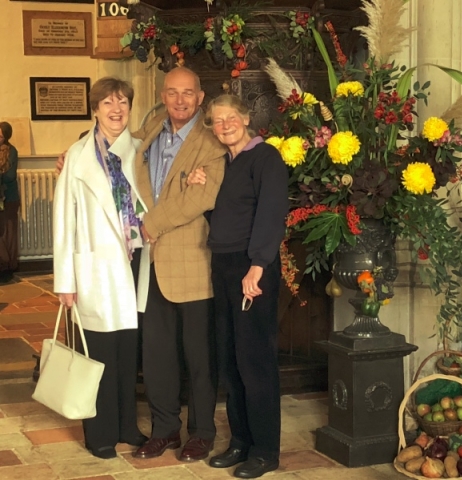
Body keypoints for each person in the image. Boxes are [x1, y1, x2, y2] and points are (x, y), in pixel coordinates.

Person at [189, 94, 288, 478]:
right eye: (217, 120)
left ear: (246, 119)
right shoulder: (225, 163)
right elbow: (225, 215)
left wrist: (258, 266)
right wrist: (198, 184)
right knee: (230, 361)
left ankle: (265, 451)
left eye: (231, 117)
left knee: (255, 363)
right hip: (225, 265)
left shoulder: (266, 158)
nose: (225, 124)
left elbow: (271, 212)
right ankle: (240, 442)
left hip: (252, 269)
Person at [131, 67, 226, 463]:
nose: (181, 100)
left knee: (199, 358)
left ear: (200, 97)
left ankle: (202, 432)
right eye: (173, 93)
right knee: (156, 357)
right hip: (150, 266)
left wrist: (149, 224)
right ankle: (165, 429)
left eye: (188, 93)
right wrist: (76, 150)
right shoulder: (152, 129)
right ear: (163, 95)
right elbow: (117, 147)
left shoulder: (211, 142)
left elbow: (201, 198)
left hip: (192, 265)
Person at [53, 77, 150, 459]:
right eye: (108, 103)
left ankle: (128, 425)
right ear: (95, 109)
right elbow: (63, 222)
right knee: (99, 356)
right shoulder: (76, 156)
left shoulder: (140, 150)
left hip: (134, 263)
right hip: (94, 270)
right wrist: (65, 281)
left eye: (123, 102)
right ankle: (101, 433)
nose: (116, 110)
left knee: (129, 353)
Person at [0, 122, 20, 283]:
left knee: (8, 233)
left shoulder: (11, 151)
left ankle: (9, 267)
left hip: (9, 197)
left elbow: (9, 176)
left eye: (0, 136)